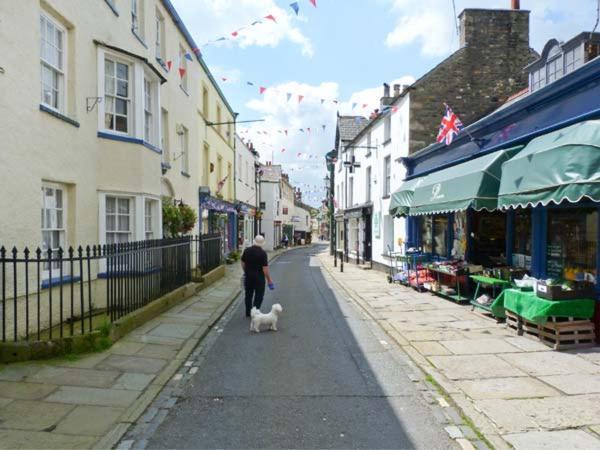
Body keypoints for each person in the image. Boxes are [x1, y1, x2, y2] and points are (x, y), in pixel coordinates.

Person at [241, 235, 274, 317]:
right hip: (259, 278)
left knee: (248, 294)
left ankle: (248, 312)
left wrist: (246, 271)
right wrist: (269, 280)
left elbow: (242, 262)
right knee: (259, 295)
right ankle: (255, 312)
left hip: (248, 277)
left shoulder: (247, 250)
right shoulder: (263, 254)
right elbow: (265, 269)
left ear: (254, 241)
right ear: (262, 244)